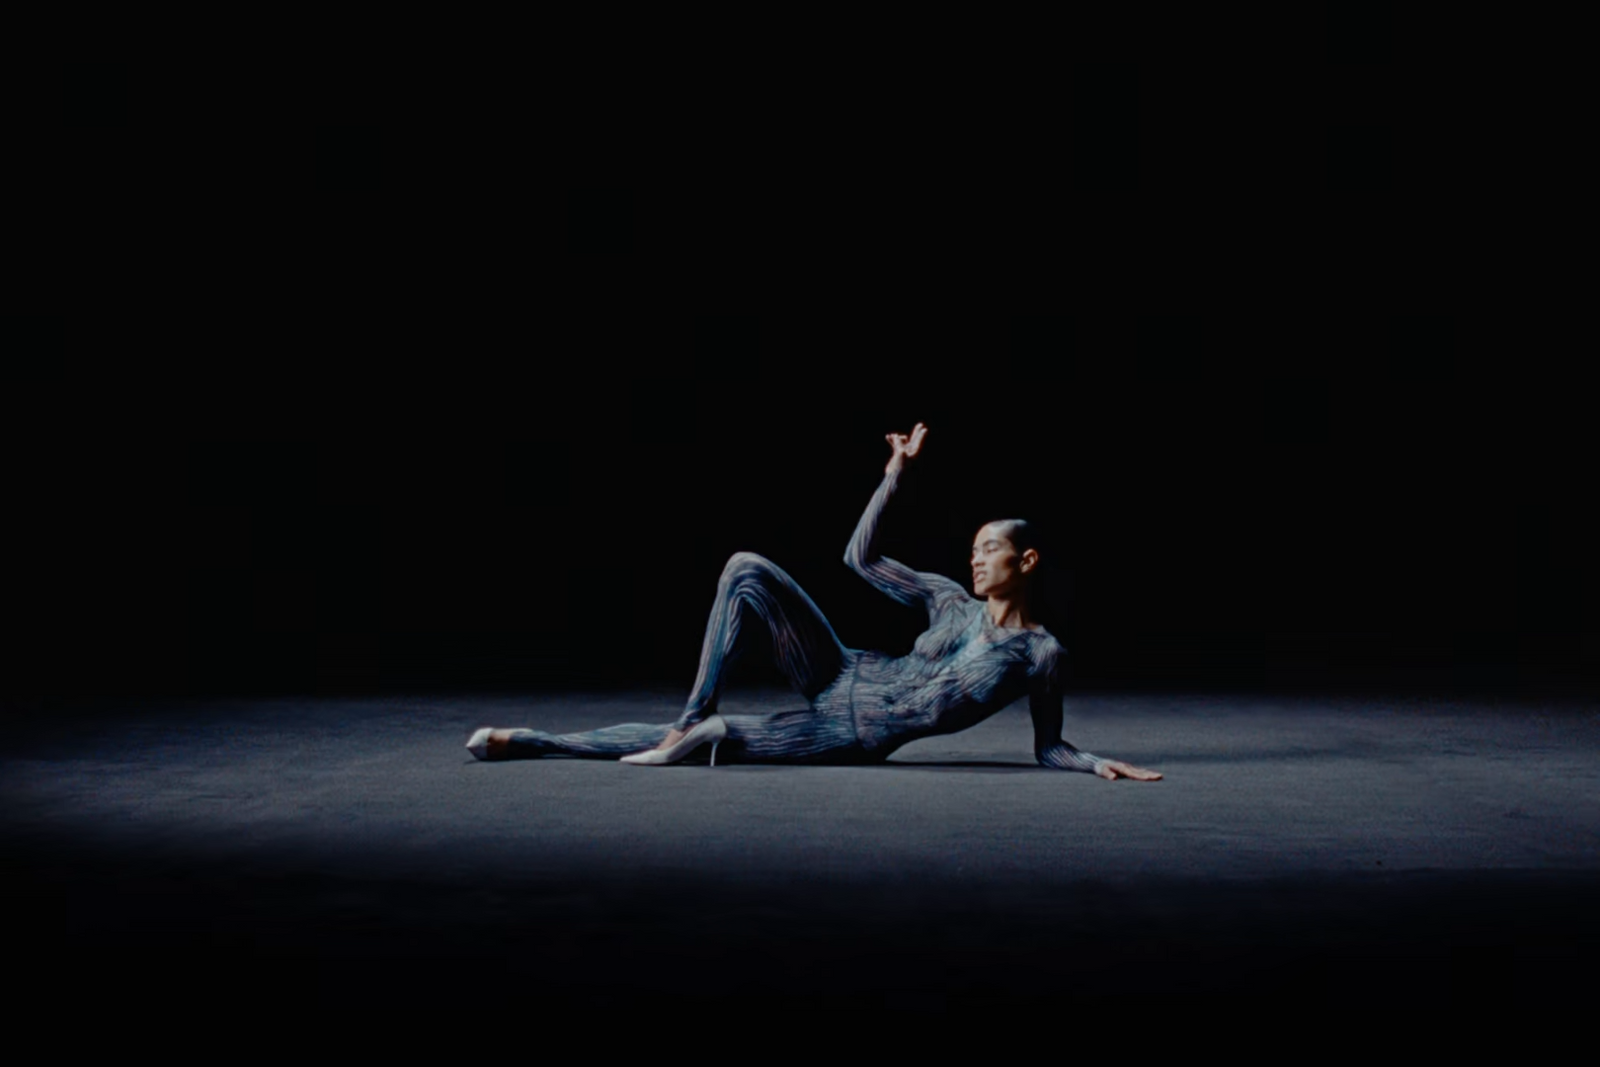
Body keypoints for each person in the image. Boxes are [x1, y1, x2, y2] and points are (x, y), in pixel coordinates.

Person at [466, 423, 1162, 781]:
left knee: (726, 743)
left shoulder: (1041, 653)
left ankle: (533, 739)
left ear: (1027, 560)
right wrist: (894, 475)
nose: (974, 557)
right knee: (745, 568)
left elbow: (1050, 746)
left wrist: (1095, 763)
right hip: (839, 671)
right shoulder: (950, 602)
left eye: (990, 548)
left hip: (851, 736)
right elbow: (858, 559)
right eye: (974, 546)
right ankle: (692, 721)